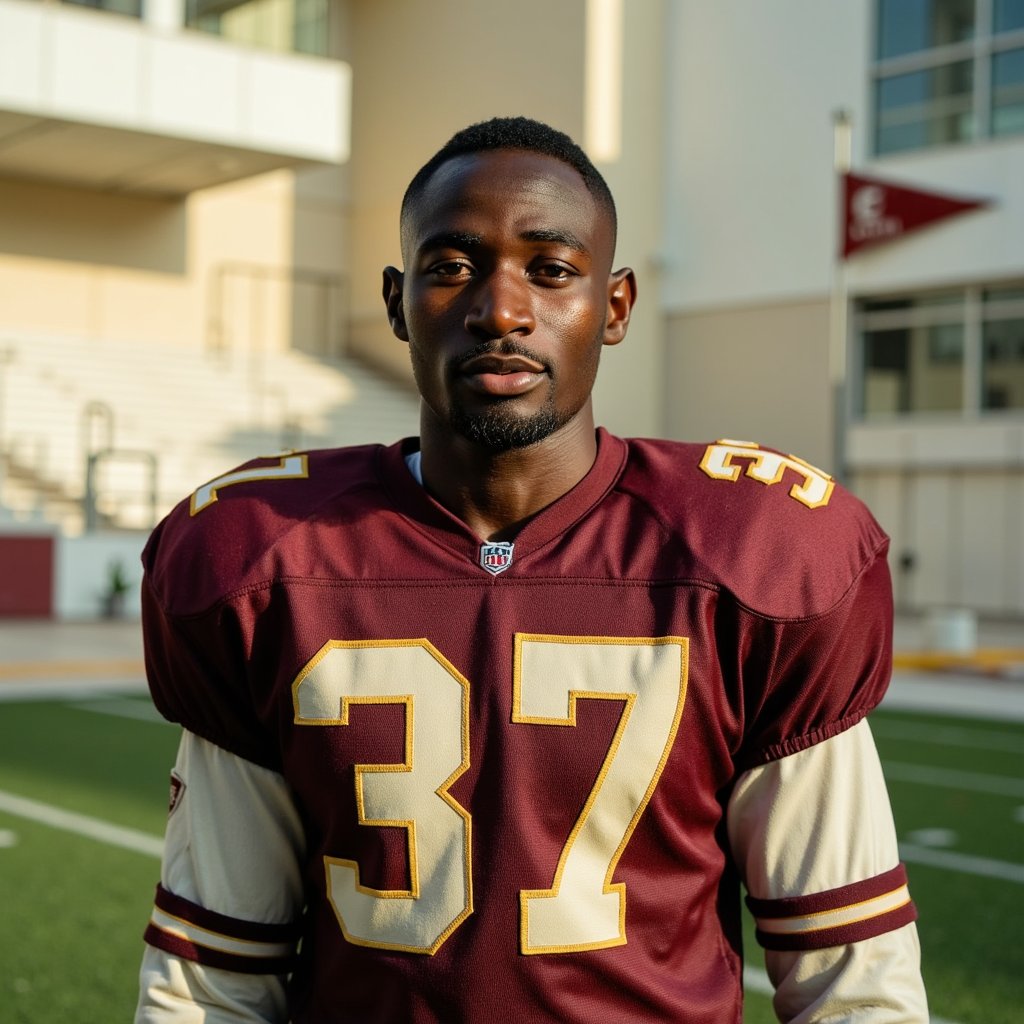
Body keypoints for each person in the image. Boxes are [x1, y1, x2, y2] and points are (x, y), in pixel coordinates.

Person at [135, 116, 928, 1023]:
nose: (500, 311)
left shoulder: (754, 556)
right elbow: (214, 980)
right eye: (452, 266)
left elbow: (850, 978)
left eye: (550, 271)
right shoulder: (264, 558)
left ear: (616, 306)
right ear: (397, 303)